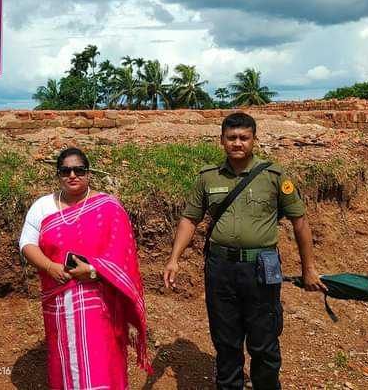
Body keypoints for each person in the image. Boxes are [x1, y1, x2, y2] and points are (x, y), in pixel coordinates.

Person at [163, 112, 326, 390]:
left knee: (264, 342)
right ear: (222, 140)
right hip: (220, 268)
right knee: (226, 342)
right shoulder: (208, 178)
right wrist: (174, 259)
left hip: (262, 268)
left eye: (244, 138)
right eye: (231, 138)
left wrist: (308, 267)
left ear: (254, 140)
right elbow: (190, 219)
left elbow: (300, 221)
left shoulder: (274, 176)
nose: (237, 143)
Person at [20, 147, 152, 390]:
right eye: (65, 171)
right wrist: (49, 266)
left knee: (102, 357)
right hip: (59, 301)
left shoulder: (108, 207)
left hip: (100, 300)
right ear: (58, 175)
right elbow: (26, 243)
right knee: (66, 356)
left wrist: (92, 271)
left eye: (79, 170)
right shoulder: (43, 206)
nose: (72, 175)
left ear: (88, 173)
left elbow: (121, 256)